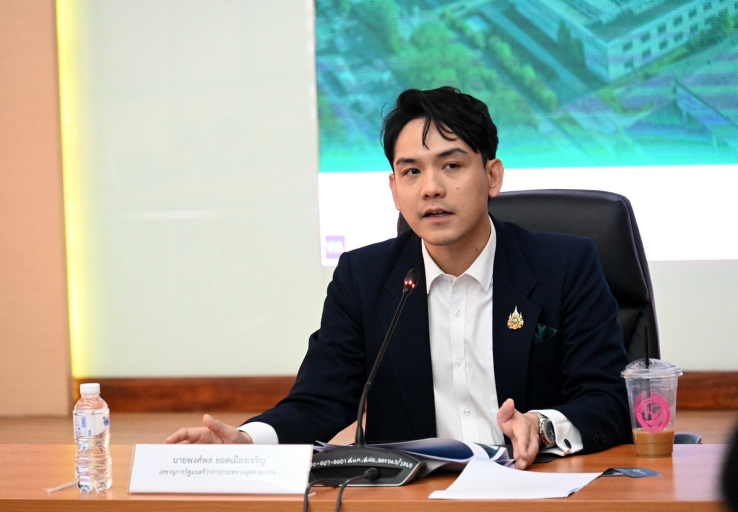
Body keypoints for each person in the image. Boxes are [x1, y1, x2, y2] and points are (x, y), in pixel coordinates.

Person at [167, 86, 631, 469]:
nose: (431, 188)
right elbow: (320, 401)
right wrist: (247, 441)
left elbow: (608, 398)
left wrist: (542, 426)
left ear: (492, 176)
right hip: (415, 498)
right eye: (411, 171)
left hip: (537, 488)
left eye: (451, 165)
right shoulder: (364, 279)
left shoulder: (564, 265)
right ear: (394, 189)